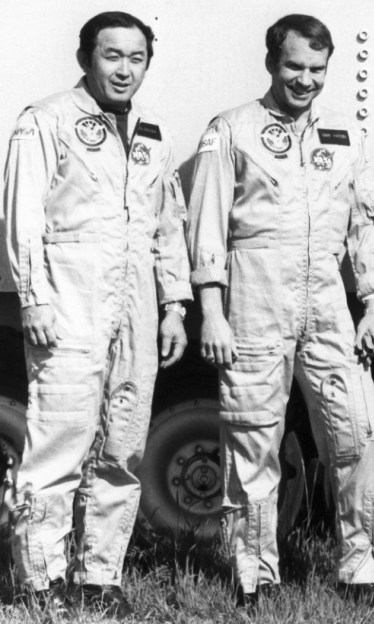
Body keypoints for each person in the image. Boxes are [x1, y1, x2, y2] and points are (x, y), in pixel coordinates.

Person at [186, 14, 374, 610]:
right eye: (293, 67)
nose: (305, 80)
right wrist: (211, 306)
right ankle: (253, 574)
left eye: (316, 69)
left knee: (360, 435)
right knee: (254, 438)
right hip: (255, 293)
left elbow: (366, 227)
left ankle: (365, 570)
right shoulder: (231, 130)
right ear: (270, 64)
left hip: (329, 301)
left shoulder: (344, 135)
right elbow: (206, 223)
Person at [2, 11, 191, 618]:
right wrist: (33, 296)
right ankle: (39, 582)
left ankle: (98, 577)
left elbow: (168, 225)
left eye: (136, 58)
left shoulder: (153, 134)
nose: (124, 69)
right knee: (58, 445)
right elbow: (24, 215)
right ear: (87, 58)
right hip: (69, 300)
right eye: (113, 56)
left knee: (124, 449)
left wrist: (174, 307)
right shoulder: (47, 120)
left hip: (136, 306)